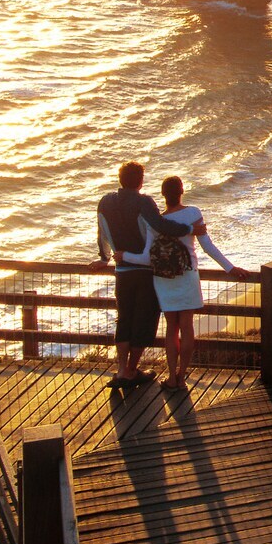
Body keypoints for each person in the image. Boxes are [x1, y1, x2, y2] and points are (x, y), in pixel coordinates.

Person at [92, 161, 202, 388]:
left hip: (122, 271)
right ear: (141, 181)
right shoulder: (143, 202)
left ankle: (122, 369)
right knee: (143, 320)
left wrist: (104, 258)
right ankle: (132, 370)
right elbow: (161, 226)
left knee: (124, 319)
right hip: (145, 271)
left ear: (120, 179)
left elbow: (101, 230)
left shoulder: (105, 201)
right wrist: (191, 229)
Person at [149, 175, 250, 390]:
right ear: (182, 191)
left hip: (164, 278)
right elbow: (207, 246)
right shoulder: (193, 213)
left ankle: (171, 377)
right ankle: (182, 376)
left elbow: (147, 252)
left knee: (170, 330)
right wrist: (230, 268)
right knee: (186, 327)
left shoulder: (157, 221)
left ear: (163, 194)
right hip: (187, 274)